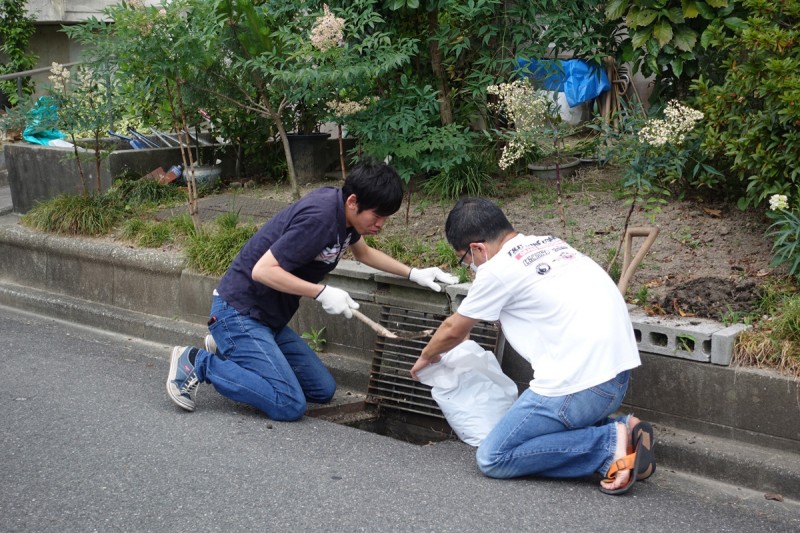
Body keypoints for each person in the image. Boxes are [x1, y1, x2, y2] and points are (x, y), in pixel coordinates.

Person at [167, 161, 458, 421]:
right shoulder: (319, 219)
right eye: (377, 216)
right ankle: (198, 363)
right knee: (288, 404)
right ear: (354, 201)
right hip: (239, 311)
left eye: (386, 218)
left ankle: (233, 350)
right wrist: (321, 292)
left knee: (322, 389)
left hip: (269, 321)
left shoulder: (346, 217)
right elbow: (262, 270)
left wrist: (414, 273)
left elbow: (364, 255)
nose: (381, 224)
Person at [410, 197, 655, 495]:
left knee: (494, 456)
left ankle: (606, 446)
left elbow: (452, 329)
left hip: (577, 391)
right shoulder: (550, 244)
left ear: (477, 248)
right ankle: (625, 428)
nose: (471, 266)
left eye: (465, 259)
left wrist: (426, 357)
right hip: (616, 379)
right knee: (531, 437)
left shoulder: (497, 268)